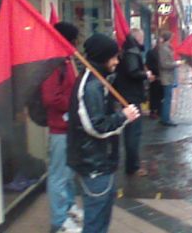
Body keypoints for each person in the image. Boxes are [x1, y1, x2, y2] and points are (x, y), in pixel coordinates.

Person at [67, 33, 140, 233]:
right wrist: (123, 116)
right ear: (102, 57)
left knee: (100, 220)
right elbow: (96, 126)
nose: (117, 61)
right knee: (95, 223)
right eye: (114, 57)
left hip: (100, 161)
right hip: (95, 164)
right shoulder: (92, 85)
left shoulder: (97, 80)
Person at [42, 22, 83, 233]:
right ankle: (59, 222)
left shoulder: (65, 61)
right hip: (59, 129)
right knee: (58, 176)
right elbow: (51, 98)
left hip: (68, 127)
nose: (76, 44)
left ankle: (69, 208)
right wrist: (74, 106)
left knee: (67, 174)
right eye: (74, 39)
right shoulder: (53, 65)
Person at [113, 28, 153, 177]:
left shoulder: (129, 51)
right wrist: (146, 74)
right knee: (133, 133)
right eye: (142, 38)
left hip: (128, 95)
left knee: (133, 132)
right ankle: (133, 167)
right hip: (131, 97)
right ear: (138, 38)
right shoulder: (132, 53)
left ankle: (133, 164)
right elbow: (133, 72)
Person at [158, 31, 182, 127]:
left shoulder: (166, 48)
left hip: (168, 77)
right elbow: (164, 64)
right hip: (166, 77)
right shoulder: (164, 49)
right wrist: (176, 64)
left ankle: (165, 117)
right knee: (167, 98)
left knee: (167, 98)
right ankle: (166, 119)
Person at [145, 39, 163, 120]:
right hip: (154, 76)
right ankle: (153, 111)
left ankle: (159, 110)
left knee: (160, 95)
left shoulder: (162, 52)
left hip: (161, 76)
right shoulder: (151, 53)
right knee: (153, 95)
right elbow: (149, 64)